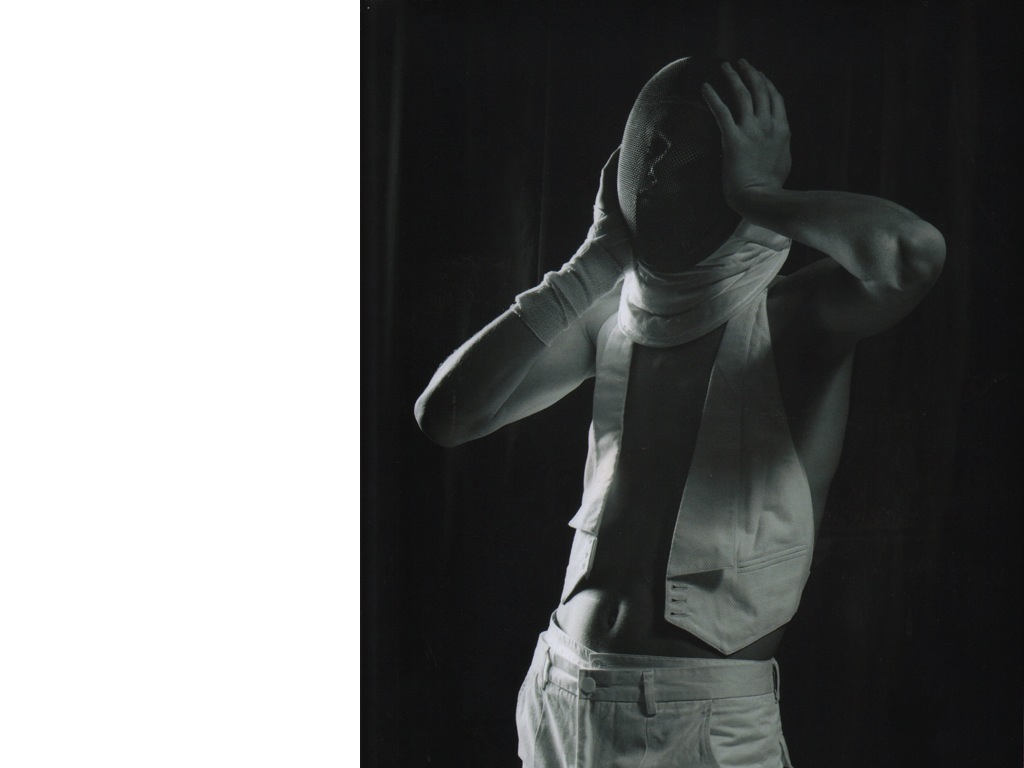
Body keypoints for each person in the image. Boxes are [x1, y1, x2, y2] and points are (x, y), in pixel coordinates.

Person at [414, 57, 944, 768]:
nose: (659, 172)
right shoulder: (610, 315)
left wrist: (757, 195)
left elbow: (912, 253)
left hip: (696, 719)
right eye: (651, 151)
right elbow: (446, 416)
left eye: (687, 157)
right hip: (558, 689)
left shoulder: (795, 317)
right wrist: (591, 264)